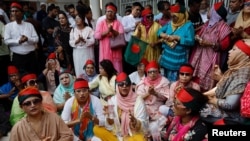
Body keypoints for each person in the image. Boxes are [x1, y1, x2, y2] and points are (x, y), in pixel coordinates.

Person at [200, 39, 250, 125]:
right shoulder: (237, 69)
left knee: (202, 111)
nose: (229, 52)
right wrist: (203, 95)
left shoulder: (243, 74)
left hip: (236, 117)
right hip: (232, 113)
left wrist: (213, 100)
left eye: (234, 50)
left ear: (242, 54)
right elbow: (223, 87)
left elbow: (230, 104)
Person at [189, 2, 231, 92]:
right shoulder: (207, 23)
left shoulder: (224, 27)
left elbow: (225, 45)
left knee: (207, 80)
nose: (208, 11)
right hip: (199, 54)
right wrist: (197, 37)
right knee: (195, 77)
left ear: (215, 13)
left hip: (212, 57)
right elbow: (199, 33)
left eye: (210, 10)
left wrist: (210, 44)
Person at [101, 72, 148, 140]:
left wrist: (135, 122)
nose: (124, 86)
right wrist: (108, 117)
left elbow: (144, 124)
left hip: (133, 135)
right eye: (121, 84)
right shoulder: (112, 101)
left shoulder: (139, 100)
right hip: (118, 135)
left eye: (127, 84)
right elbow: (110, 126)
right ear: (117, 86)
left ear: (130, 86)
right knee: (97, 129)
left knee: (140, 139)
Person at [158, 4, 195, 82]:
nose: (173, 19)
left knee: (174, 83)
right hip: (166, 60)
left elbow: (191, 41)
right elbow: (159, 31)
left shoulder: (188, 26)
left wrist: (178, 38)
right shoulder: (170, 23)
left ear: (181, 15)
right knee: (165, 81)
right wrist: (162, 34)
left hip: (177, 61)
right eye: (172, 16)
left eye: (175, 16)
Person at [136, 60, 170, 139]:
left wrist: (155, 93)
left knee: (160, 122)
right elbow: (139, 98)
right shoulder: (143, 82)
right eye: (150, 72)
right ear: (147, 73)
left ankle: (153, 137)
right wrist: (149, 93)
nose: (152, 74)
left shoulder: (164, 81)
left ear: (158, 71)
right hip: (145, 106)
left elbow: (166, 97)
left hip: (158, 106)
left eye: (154, 71)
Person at [4, 2, 39, 74]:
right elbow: (6, 41)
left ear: (22, 13)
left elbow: (36, 39)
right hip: (18, 57)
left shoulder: (29, 25)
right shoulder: (8, 26)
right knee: (19, 77)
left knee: (32, 76)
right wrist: (18, 41)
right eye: (12, 11)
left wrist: (27, 39)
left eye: (16, 11)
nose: (14, 13)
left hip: (30, 56)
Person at [94, 2, 124, 73]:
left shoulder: (118, 23)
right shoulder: (101, 23)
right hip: (105, 52)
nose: (109, 13)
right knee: (105, 70)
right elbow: (96, 35)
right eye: (108, 11)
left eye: (112, 12)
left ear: (115, 13)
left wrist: (112, 31)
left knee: (116, 70)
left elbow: (121, 34)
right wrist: (107, 31)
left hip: (116, 50)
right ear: (105, 12)